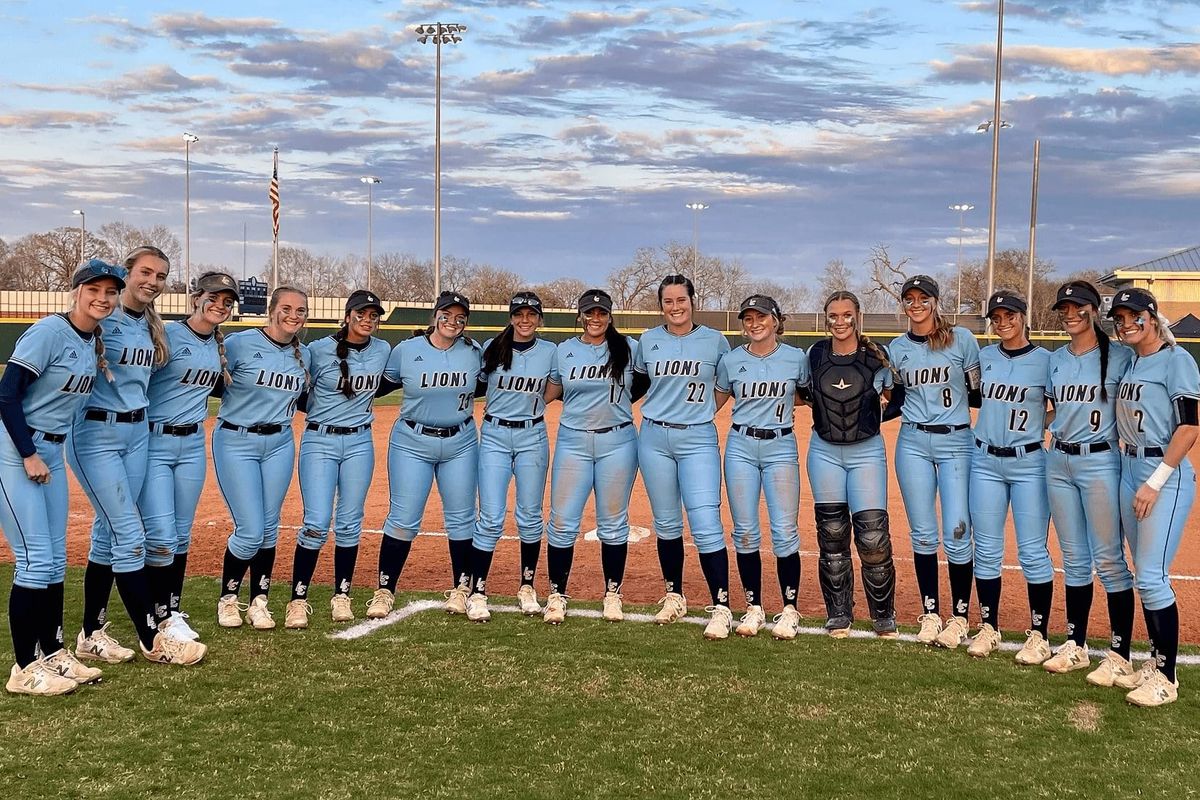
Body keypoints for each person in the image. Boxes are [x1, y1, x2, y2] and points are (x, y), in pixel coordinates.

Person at [68, 247, 205, 667]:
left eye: (161, 276)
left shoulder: (151, 325)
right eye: (145, 272)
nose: (153, 281)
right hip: (96, 432)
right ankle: (153, 638)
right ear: (127, 273)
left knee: (106, 535)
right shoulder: (101, 317)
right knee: (129, 535)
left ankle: (91, 634)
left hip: (137, 434)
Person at [1, 262, 124, 694]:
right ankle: (23, 668)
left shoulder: (92, 339)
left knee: (54, 560)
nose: (102, 298)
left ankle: (53, 653)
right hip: (18, 449)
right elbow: (7, 394)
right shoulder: (50, 332)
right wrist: (28, 453)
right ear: (76, 292)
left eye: (111, 292)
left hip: (50, 449)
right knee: (35, 560)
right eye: (94, 289)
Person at [365, 291, 483, 619]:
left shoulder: (473, 352)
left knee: (462, 518)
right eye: (447, 315)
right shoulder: (406, 350)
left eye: (460, 317)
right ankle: (385, 590)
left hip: (460, 442)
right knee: (403, 518)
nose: (453, 322)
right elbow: (377, 387)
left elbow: (491, 384)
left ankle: (462, 589)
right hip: (412, 441)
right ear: (435, 315)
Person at [138, 271, 240, 643]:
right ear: (196, 298)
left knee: (181, 535)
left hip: (193, 443)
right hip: (155, 441)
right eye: (213, 297)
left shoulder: (217, 344)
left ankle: (171, 609)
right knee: (161, 535)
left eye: (227, 301)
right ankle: (156, 614)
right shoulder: (166, 335)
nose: (220, 305)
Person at [1109, 288, 1198, 707]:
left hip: (1162, 472)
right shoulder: (1132, 361)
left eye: (1133, 316)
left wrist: (1156, 480)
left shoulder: (1177, 360)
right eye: (1119, 319)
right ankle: (1154, 661)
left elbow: (1189, 428)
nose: (1126, 324)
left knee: (1151, 576)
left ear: (1152, 315)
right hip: (1129, 467)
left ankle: (1166, 677)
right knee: (1143, 575)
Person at [1041, 280, 1135, 678]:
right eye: (1064, 308)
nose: (1070, 314)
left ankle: (1120, 654)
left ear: (1094, 309)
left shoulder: (1121, 356)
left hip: (1100, 462)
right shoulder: (1056, 359)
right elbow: (1055, 411)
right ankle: (1075, 645)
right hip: (1059, 460)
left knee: (1110, 560)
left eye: (1078, 306)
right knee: (1075, 559)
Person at [635, 274, 733, 639]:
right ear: (660, 305)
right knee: (666, 523)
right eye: (668, 301)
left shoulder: (715, 341)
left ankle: (721, 607)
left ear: (693, 301)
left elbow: (724, 387)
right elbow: (640, 383)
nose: (675, 307)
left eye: (681, 300)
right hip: (654, 438)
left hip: (697, 438)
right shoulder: (648, 341)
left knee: (706, 523)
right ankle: (674, 596)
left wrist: (702, 412)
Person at [285, 290, 390, 628]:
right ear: (347, 316)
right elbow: (297, 391)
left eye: (373, 315)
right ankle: (298, 600)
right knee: (316, 522)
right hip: (320, 439)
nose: (367, 320)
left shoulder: (382, 350)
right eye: (361, 313)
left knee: (349, 522)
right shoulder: (317, 350)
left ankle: (341, 595)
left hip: (359, 441)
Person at [539, 289, 645, 624]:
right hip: (573, 441)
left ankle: (612, 595)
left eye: (601, 313)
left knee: (613, 523)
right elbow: (552, 391)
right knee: (562, 521)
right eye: (589, 313)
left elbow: (642, 384)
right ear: (580, 316)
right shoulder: (564, 351)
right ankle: (557, 595)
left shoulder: (629, 348)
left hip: (618, 441)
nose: (595, 318)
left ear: (610, 316)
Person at [888, 275, 981, 647]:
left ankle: (959, 618)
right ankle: (930, 613)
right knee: (923, 534)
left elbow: (977, 394)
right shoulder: (898, 348)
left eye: (923, 297)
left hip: (956, 441)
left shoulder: (963, 339)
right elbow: (896, 400)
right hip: (913, 442)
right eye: (909, 298)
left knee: (958, 533)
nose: (916, 304)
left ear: (935, 301)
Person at [802, 291, 899, 640]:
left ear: (858, 315)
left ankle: (883, 615)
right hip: (825, 451)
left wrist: (868, 416)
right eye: (833, 315)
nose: (839, 321)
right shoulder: (815, 354)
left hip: (866, 452)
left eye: (846, 315)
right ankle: (839, 613)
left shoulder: (876, 355)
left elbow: (896, 397)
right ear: (825, 318)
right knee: (832, 534)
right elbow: (805, 394)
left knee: (873, 537)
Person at [964, 290, 1054, 664]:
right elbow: (971, 396)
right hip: (985, 461)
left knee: (1032, 551)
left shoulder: (1047, 361)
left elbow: (1063, 406)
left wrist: (1039, 424)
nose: (1003, 323)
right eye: (996, 318)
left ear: (1023, 316)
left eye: (1009, 315)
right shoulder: (985, 357)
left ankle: (1039, 635)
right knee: (986, 549)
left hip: (1029, 462)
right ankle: (989, 627)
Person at [214, 287, 311, 631]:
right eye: (287, 308)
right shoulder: (240, 344)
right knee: (251, 530)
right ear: (272, 310)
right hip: (236, 440)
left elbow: (306, 400)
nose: (293, 315)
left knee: (269, 528)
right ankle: (228, 598)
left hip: (280, 442)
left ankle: (259, 601)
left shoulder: (305, 355)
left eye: (300, 310)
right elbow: (212, 384)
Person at [714, 295, 809, 638]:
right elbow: (715, 400)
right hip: (741, 445)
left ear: (776, 321)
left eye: (761, 317)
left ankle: (789, 609)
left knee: (784, 530)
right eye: (748, 319)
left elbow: (805, 395)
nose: (754, 324)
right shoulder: (731, 360)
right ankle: (753, 607)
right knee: (745, 531)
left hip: (781, 445)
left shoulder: (796, 358)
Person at [465, 292, 557, 622]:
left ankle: (527, 587)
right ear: (511, 317)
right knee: (490, 516)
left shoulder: (550, 351)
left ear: (540, 319)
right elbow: (476, 385)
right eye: (519, 314)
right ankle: (477, 591)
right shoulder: (493, 347)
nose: (525, 320)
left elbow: (553, 389)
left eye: (531, 314)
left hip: (532, 434)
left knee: (530, 515)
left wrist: (532, 406)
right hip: (495, 434)